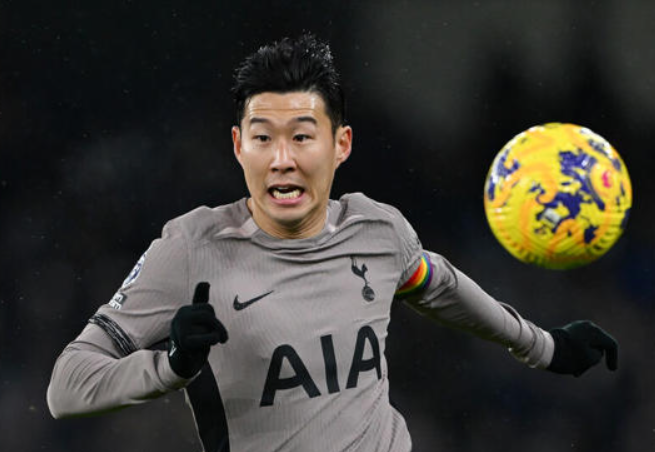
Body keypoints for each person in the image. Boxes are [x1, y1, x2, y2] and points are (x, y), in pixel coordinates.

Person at [47, 34, 618, 452]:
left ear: (341, 144)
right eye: (263, 138)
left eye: (302, 136)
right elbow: (66, 388)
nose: (282, 159)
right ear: (238, 146)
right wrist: (169, 366)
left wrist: (545, 347)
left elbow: (436, 283)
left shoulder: (378, 231)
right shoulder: (192, 249)